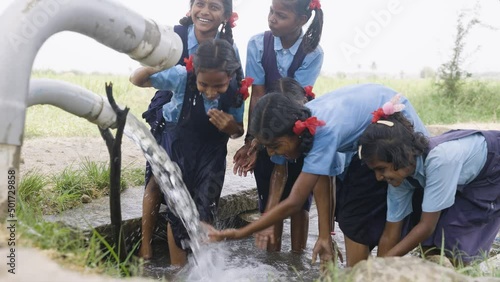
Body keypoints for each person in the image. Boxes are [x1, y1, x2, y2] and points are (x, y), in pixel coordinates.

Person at [208, 83, 429, 267]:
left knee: (357, 215)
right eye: (268, 149)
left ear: (294, 131)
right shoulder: (305, 125)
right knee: (352, 211)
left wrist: (238, 233)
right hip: (369, 141)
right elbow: (321, 180)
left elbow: (295, 201)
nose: (274, 153)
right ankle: (367, 272)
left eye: (275, 146)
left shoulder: (323, 129)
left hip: (394, 138)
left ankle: (363, 274)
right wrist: (325, 235)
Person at [130, 39, 249, 266]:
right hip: (178, 147)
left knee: (205, 209)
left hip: (212, 154)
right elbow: (137, 79)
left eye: (219, 86)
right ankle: (178, 271)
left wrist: (231, 128)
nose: (211, 92)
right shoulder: (182, 77)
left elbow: (238, 131)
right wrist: (160, 64)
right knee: (178, 211)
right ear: (195, 71)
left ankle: (201, 270)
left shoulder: (236, 92)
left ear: (231, 76)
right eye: (204, 84)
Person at [358, 103, 500, 266]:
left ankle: (469, 270)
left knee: (455, 237)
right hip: (462, 176)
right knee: (426, 239)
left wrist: (382, 266)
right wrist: (377, 270)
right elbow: (391, 233)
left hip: (492, 171)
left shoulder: (440, 160)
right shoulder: (401, 176)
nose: (378, 177)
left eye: (381, 169)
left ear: (400, 156)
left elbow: (426, 226)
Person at [233, 0, 324, 253]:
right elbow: (258, 95)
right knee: (268, 202)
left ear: (302, 20)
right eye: (271, 12)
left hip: (295, 132)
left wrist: (267, 142)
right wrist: (253, 141)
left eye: (281, 15)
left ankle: (296, 260)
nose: (272, 18)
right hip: (265, 130)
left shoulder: (312, 52)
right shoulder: (257, 44)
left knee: (299, 205)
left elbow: (296, 100)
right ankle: (272, 262)